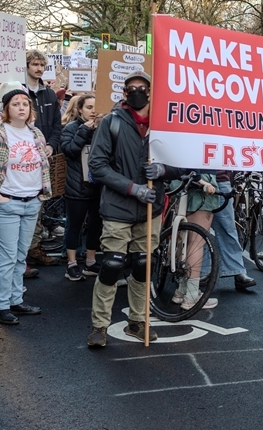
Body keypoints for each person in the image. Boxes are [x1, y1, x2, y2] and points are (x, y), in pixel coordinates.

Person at [85, 71, 187, 347]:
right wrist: (132, 188)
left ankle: (137, 321)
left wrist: (164, 169)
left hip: (150, 210)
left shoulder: (164, 124)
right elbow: (97, 166)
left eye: (142, 87)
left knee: (143, 265)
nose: (137, 92)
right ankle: (99, 326)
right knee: (111, 265)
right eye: (131, 88)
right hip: (118, 207)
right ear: (124, 93)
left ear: (152, 91)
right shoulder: (111, 123)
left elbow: (185, 160)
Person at [0, 88, 51, 326]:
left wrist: (40, 195)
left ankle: (16, 299)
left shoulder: (35, 133)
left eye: (25, 104)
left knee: (20, 256)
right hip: (7, 203)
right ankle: (1, 305)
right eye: (16, 104)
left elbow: (42, 165)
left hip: (32, 202)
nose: (21, 108)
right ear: (6, 109)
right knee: (6, 258)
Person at [23, 50, 63, 267]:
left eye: (41, 65)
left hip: (43, 161)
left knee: (39, 206)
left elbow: (57, 125)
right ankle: (23, 254)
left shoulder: (48, 95)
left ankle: (34, 248)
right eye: (34, 64)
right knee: (25, 207)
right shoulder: (19, 92)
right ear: (27, 66)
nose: (38, 68)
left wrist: (51, 145)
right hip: (21, 162)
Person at [60, 94, 103, 281]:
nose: (93, 111)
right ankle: (72, 263)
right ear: (79, 110)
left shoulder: (103, 128)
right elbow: (69, 151)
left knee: (95, 226)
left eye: (96, 107)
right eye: (88, 107)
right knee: (74, 226)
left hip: (98, 187)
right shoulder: (71, 128)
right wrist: (84, 131)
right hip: (77, 186)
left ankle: (91, 262)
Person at [166, 172, 222, 310]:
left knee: (184, 239)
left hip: (180, 182)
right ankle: (191, 295)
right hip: (201, 184)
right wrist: (203, 181)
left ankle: (181, 290)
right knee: (196, 243)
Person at [211, 170, 258, 291]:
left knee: (228, 228)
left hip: (220, 180)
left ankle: (238, 271)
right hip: (201, 178)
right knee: (198, 231)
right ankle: (201, 273)